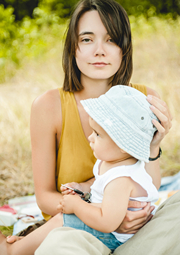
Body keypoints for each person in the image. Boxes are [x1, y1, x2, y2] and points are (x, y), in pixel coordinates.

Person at [0, 0, 172, 253]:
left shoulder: (143, 100)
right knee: (60, 248)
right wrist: (105, 215)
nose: (100, 51)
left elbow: (149, 186)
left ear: (124, 48)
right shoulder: (48, 106)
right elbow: (45, 198)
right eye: (87, 40)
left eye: (112, 40)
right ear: (73, 49)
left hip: (136, 233)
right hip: (76, 232)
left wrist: (153, 146)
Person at [0, 85, 160, 254]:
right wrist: (83, 188)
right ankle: (31, 242)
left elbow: (107, 222)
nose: (90, 138)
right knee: (65, 220)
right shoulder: (112, 161)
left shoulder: (121, 179)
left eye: (98, 134)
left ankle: (13, 251)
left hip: (113, 236)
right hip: (109, 226)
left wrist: (76, 205)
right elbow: (101, 190)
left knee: (65, 219)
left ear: (123, 146)